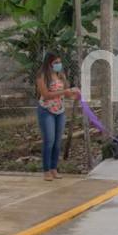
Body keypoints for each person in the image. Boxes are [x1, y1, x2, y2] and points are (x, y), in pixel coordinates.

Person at [36, 53, 80, 181]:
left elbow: (66, 93)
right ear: (49, 63)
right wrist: (64, 92)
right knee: (49, 141)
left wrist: (74, 94)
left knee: (57, 141)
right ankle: (46, 170)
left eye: (59, 62)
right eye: (55, 62)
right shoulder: (42, 75)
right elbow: (45, 94)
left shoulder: (61, 75)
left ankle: (54, 168)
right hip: (46, 110)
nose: (58, 65)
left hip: (59, 111)